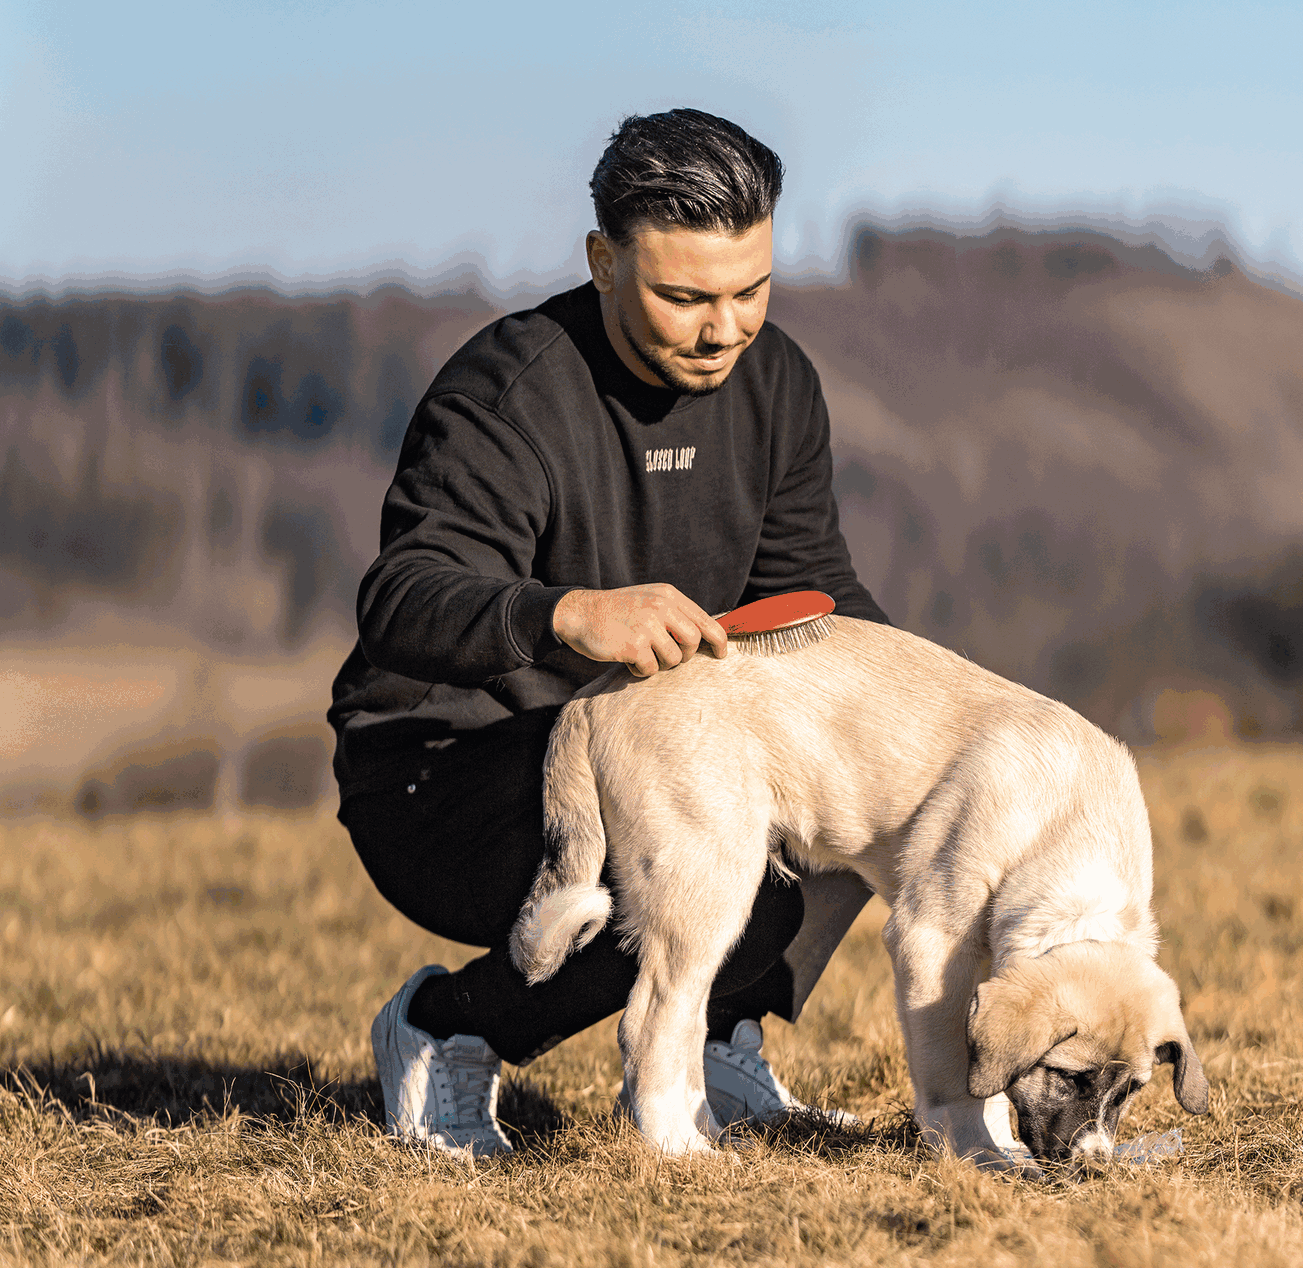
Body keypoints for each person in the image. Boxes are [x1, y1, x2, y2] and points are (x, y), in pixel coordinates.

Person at [328, 108, 889, 1155]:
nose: (726, 327)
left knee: (886, 786)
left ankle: (718, 1047)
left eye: (751, 290)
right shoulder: (507, 394)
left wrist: (957, 728)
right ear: (603, 261)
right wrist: (569, 616)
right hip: (441, 770)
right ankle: (446, 1029)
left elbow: (814, 598)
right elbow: (401, 600)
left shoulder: (778, 386)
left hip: (658, 754)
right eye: (685, 298)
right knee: (708, 873)